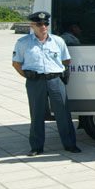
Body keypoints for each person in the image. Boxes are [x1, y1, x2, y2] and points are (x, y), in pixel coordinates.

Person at [12, 11, 80, 156]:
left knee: (63, 112)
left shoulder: (58, 41)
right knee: (36, 114)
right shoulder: (23, 43)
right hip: (35, 81)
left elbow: (66, 60)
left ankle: (70, 144)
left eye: (46, 24)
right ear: (32, 26)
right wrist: (28, 76)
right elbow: (16, 63)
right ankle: (36, 147)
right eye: (39, 24)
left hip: (55, 80)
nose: (43, 26)